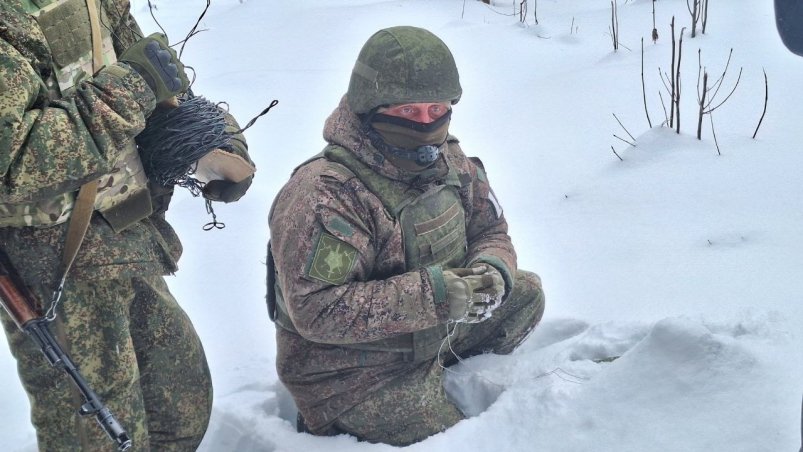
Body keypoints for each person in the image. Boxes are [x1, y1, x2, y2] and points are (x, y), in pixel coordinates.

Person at [267, 25, 545, 446]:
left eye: (437, 109)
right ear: (370, 107)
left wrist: (491, 270)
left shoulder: (448, 158)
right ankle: (333, 425)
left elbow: (490, 228)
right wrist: (439, 294)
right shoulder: (326, 195)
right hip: (352, 372)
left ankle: (443, 367)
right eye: (407, 112)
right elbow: (317, 310)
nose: (425, 124)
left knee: (525, 294)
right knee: (465, 443)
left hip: (433, 333)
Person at [0, 0, 253, 450]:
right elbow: (13, 162)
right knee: (96, 433)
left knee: (181, 405)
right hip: (50, 262)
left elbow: (156, 74)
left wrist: (214, 141)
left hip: (128, 230)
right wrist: (133, 86)